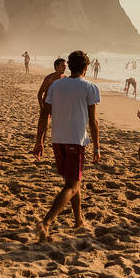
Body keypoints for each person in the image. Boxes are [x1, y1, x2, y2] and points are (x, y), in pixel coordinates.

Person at [32, 50, 100, 242]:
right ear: (86, 67)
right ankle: (45, 222)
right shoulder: (90, 87)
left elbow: (44, 115)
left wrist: (39, 141)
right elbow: (93, 121)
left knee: (71, 182)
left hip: (57, 140)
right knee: (72, 185)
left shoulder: (55, 85)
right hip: (75, 141)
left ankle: (78, 220)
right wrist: (96, 147)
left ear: (69, 66)